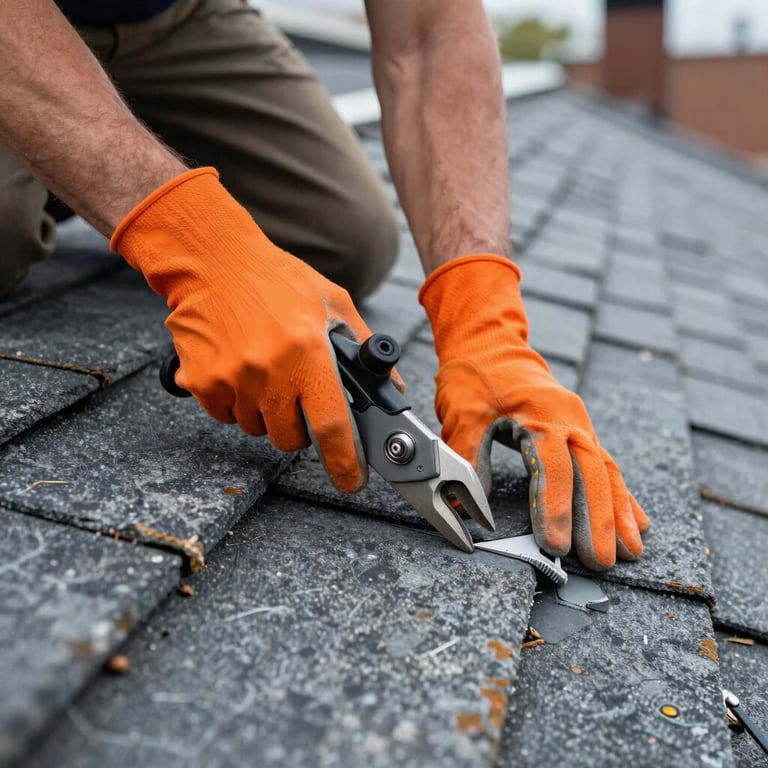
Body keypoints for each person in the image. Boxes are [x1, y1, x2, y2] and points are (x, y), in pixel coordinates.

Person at [0, 0, 648, 570]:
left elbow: (430, 30)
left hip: (173, 13)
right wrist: (195, 244)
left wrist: (486, 323)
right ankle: (64, 177)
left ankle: (78, 172)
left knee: (350, 242)